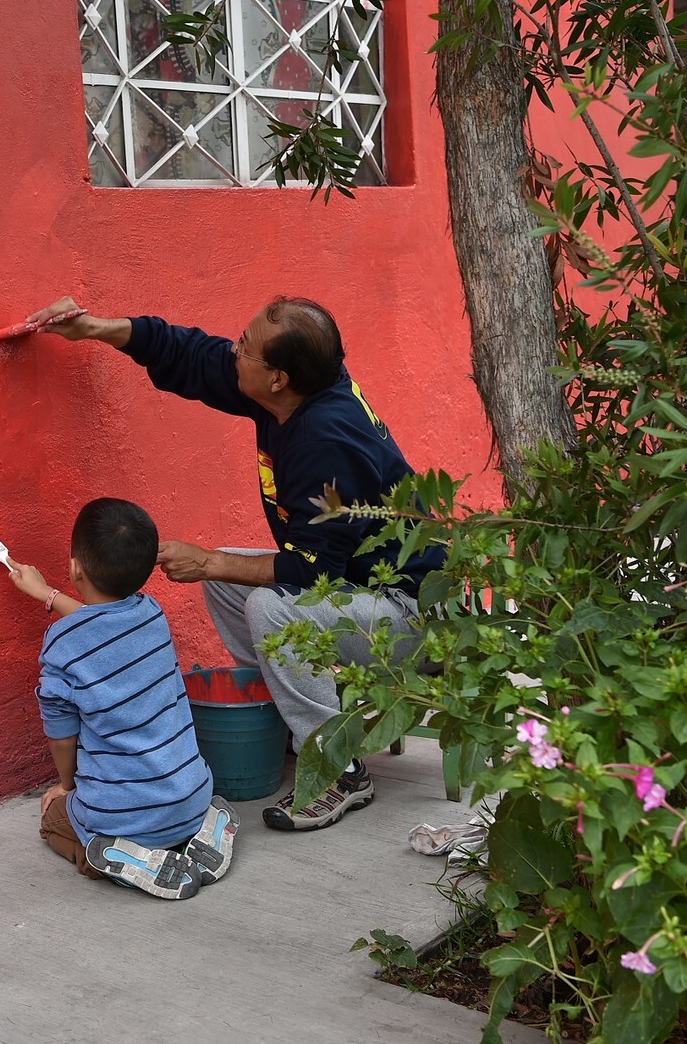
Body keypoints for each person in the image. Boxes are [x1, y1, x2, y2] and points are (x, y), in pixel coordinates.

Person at [26, 297, 445, 833]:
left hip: (412, 611)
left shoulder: (325, 443)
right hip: (359, 583)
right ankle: (301, 724)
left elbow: (308, 572)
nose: (233, 350)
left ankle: (337, 768)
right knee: (226, 586)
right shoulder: (291, 394)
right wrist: (94, 328)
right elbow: (194, 357)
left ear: (278, 377)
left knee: (269, 604)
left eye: (245, 347)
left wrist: (208, 559)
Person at [1, 497, 239, 899]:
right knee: (173, 811)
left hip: (121, 815)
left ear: (75, 566)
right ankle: (201, 834)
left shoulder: (61, 648)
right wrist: (47, 595)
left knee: (54, 822)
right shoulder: (152, 614)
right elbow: (105, 629)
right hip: (191, 797)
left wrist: (65, 786)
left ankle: (120, 858)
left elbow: (61, 736)